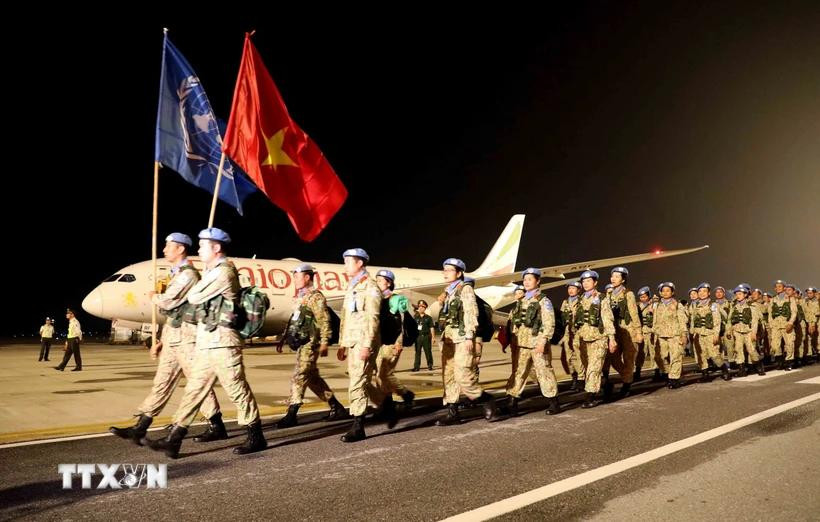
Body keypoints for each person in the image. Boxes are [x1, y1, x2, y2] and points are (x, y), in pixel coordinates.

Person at [145, 228, 266, 458]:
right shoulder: (211, 271)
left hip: (224, 342)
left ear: (216, 248)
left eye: (203, 246)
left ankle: (255, 435)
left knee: (236, 389)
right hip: (206, 341)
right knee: (194, 389)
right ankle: (175, 439)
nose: (198, 250)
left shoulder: (224, 273)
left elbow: (194, 297)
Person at [110, 233, 225, 445]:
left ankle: (216, 424)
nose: (164, 250)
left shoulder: (188, 275)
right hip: (174, 338)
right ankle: (141, 427)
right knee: (161, 383)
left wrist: (154, 296)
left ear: (180, 249)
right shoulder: (177, 274)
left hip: (188, 339)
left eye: (168, 246)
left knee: (196, 383)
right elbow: (174, 314)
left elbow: (169, 302)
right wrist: (162, 340)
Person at [275, 263, 349, 429]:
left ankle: (292, 413)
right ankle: (336, 408)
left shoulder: (316, 297)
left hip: (311, 343)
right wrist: (283, 339)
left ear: (307, 277)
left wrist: (324, 341)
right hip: (302, 343)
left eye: (296, 276)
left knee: (299, 376)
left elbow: (324, 320)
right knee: (313, 379)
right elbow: (295, 321)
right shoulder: (301, 297)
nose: (294, 279)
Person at [337, 248, 392, 442]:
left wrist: (367, 345)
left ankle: (358, 425)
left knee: (357, 381)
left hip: (364, 342)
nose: (345, 265)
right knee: (362, 380)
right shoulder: (352, 287)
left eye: (348, 261)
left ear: (360, 263)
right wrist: (342, 344)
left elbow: (373, 319)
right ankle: (386, 405)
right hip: (352, 342)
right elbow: (346, 317)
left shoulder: (370, 287)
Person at [435, 258, 497, 425]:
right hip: (448, 338)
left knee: (463, 374)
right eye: (444, 269)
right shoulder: (448, 292)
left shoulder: (465, 289)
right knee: (448, 375)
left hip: (462, 338)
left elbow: (471, 312)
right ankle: (452, 412)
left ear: (459, 273)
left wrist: (470, 335)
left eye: (449, 270)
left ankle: (486, 399)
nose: (445, 272)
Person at [505, 268, 560, 416]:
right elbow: (517, 323)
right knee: (518, 372)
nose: (527, 282)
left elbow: (549, 323)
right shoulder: (521, 301)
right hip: (522, 344)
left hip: (537, 343)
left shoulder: (543, 301)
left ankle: (553, 401)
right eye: (525, 279)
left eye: (530, 279)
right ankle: (512, 400)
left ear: (538, 281)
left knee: (544, 371)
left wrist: (543, 341)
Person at [413, 300, 435, 371]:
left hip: (426, 337)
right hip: (417, 337)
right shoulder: (415, 317)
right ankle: (416, 367)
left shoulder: (428, 318)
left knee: (428, 351)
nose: (421, 308)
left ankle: (430, 365)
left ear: (425, 308)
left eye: (422, 307)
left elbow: (431, 328)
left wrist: (433, 337)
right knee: (417, 352)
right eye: (419, 306)